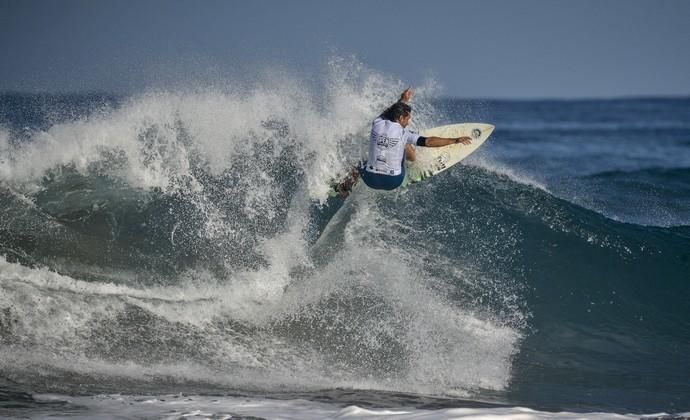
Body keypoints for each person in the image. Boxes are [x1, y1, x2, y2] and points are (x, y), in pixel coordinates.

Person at [332, 87, 472, 197]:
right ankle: (412, 162)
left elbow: (389, 111)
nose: (408, 121)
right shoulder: (403, 133)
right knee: (404, 144)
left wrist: (402, 100)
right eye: (407, 118)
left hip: (370, 180)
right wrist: (455, 140)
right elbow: (429, 142)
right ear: (400, 118)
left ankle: (344, 189)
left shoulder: (377, 123)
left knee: (358, 165)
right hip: (393, 181)